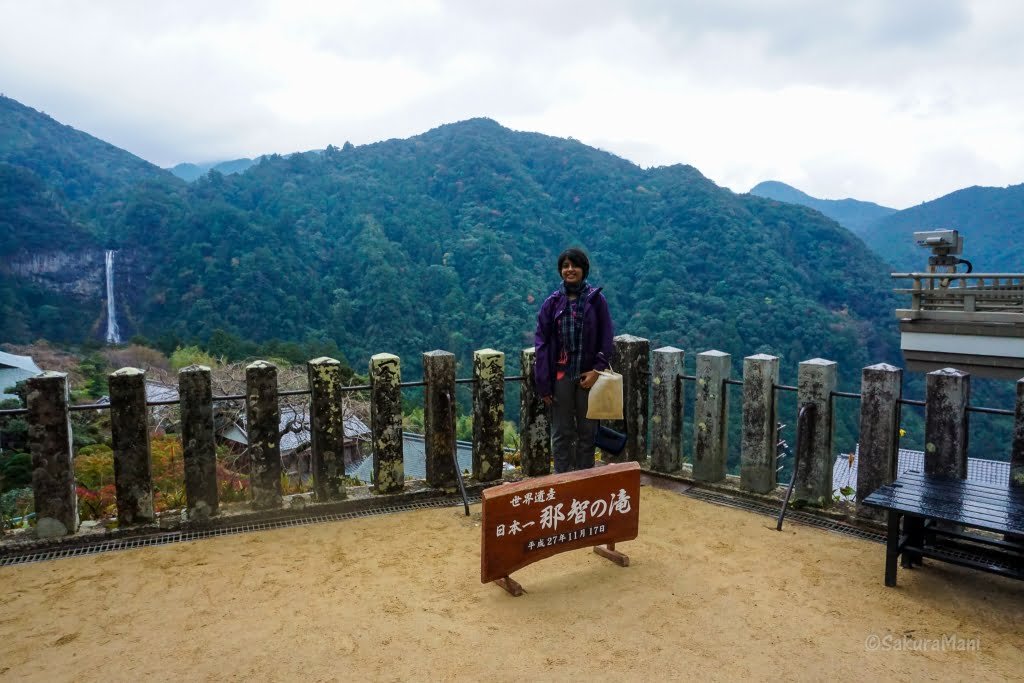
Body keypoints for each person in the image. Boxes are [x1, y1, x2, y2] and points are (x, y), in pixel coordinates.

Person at [534, 248, 614, 473]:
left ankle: (584, 481)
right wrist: (544, 383)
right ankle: (562, 481)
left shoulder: (596, 301)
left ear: (583, 270)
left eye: (574, 265)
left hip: (587, 376)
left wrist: (597, 370)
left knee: (587, 433)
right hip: (560, 376)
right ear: (561, 271)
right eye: (565, 266)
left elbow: (606, 337)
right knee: (561, 432)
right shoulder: (552, 303)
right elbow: (542, 344)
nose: (570, 270)